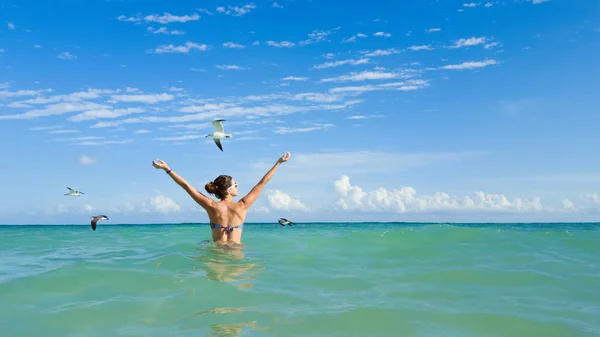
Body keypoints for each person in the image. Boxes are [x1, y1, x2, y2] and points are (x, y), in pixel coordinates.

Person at [152, 152, 291, 246]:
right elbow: (262, 182)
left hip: (217, 250)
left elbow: (186, 186)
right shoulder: (242, 205)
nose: (238, 186)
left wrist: (167, 169)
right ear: (229, 190)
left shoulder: (211, 205)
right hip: (236, 251)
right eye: (235, 184)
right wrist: (279, 163)